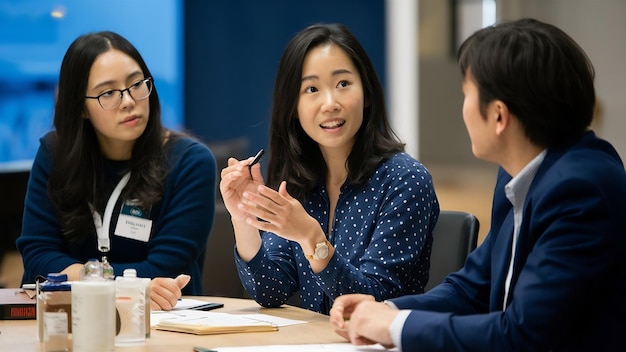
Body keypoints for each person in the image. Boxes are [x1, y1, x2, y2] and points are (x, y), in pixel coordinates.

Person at [330, 18, 626, 351]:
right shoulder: (521, 172)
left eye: (466, 95)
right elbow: (474, 287)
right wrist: (387, 309)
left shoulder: (581, 190)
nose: (463, 109)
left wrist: (397, 326)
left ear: (499, 116)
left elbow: (521, 336)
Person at [219, 23, 439, 315]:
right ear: (293, 107)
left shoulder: (404, 180)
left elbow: (372, 303)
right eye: (311, 89)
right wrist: (244, 217)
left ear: (368, 94)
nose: (330, 103)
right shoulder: (299, 179)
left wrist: (313, 239)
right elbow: (270, 290)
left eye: (343, 84)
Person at [16, 31, 216, 310]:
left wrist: (76, 276)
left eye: (136, 84)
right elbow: (38, 258)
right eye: (108, 93)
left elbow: (164, 272)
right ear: (81, 107)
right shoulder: (55, 153)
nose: (128, 101)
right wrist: (113, 282)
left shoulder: (189, 161)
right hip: (70, 319)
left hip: (162, 323)